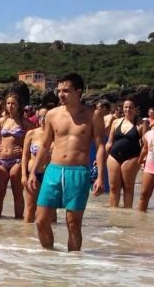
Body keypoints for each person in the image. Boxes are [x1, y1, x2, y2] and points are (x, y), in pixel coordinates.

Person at [27, 73, 106, 252]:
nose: (61, 95)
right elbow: (45, 145)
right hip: (53, 171)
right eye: (59, 91)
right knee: (40, 220)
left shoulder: (93, 115)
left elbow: (100, 146)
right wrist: (33, 172)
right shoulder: (52, 115)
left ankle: (71, 266)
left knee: (73, 224)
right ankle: (50, 258)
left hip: (78, 172)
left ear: (78, 92)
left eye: (66, 91)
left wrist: (100, 176)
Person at [0, 83, 34, 219]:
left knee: (17, 194)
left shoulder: (24, 122)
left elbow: (37, 136)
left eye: (13, 103)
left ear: (18, 105)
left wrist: (25, 148)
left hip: (17, 160)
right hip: (1, 160)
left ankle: (18, 223)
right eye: (8, 103)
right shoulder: (2, 121)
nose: (10, 106)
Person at [105, 99, 142, 208]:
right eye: (126, 107)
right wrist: (101, 159)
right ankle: (114, 214)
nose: (128, 109)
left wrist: (143, 160)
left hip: (131, 157)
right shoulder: (116, 122)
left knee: (128, 187)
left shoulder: (140, 124)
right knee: (113, 188)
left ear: (135, 109)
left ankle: (127, 215)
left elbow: (145, 145)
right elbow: (109, 142)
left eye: (130, 107)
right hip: (114, 156)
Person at [20, 107, 52, 224]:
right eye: (40, 117)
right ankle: (27, 236)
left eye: (46, 117)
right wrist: (24, 174)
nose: (43, 120)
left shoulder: (56, 135)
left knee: (50, 209)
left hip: (49, 174)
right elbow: (24, 155)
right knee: (30, 206)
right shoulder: (31, 133)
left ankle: (52, 235)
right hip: (33, 173)